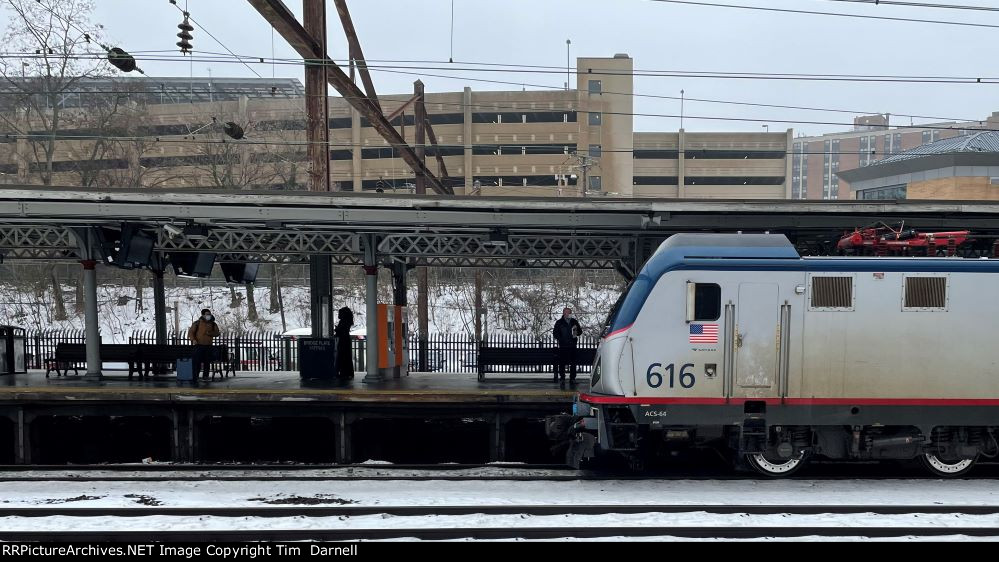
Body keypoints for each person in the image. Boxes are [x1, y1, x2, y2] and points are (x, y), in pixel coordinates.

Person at [187, 308, 220, 380]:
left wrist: (211, 333)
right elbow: (191, 332)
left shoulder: (213, 324)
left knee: (207, 362)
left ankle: (205, 376)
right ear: (203, 315)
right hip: (199, 345)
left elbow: (217, 333)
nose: (209, 315)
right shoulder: (197, 323)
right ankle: (196, 375)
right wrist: (193, 340)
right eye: (207, 314)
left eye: (209, 314)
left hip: (208, 345)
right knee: (197, 361)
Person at [552, 307, 582, 385]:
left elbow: (580, 332)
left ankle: (572, 379)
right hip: (563, 346)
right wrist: (561, 339)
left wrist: (576, 331)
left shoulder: (574, 322)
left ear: (570, 313)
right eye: (565, 312)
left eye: (568, 312)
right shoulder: (559, 322)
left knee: (573, 363)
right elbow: (555, 333)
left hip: (572, 345)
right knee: (562, 363)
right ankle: (562, 378)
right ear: (563, 313)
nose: (567, 314)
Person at [335, 306, 355, 380]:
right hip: (346, 339)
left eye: (339, 313)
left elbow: (340, 331)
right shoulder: (348, 320)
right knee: (347, 356)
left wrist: (337, 330)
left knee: (342, 356)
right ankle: (347, 372)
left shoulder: (343, 321)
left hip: (343, 340)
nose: (338, 315)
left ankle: (343, 372)